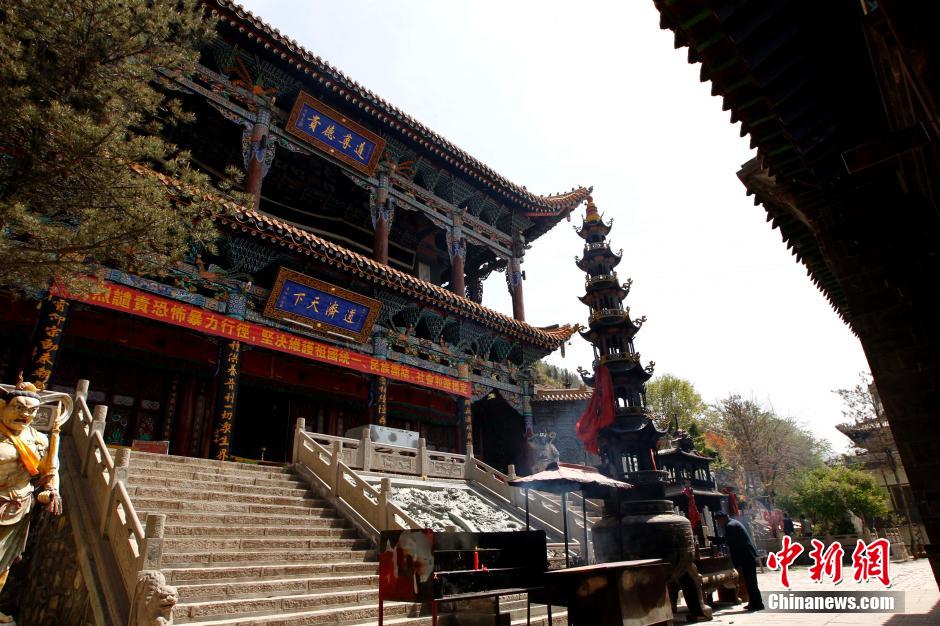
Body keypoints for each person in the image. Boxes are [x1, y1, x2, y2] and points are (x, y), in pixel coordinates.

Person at [0, 379, 62, 624]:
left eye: (32, 410)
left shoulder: (39, 440)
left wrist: (51, 490)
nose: (25, 414)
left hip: (18, 507)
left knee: (3, 561)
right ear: (3, 407)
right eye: (19, 407)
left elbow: (49, 471)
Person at [715, 510, 764, 611]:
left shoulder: (730, 526)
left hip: (746, 556)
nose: (719, 524)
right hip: (747, 556)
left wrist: (715, 540)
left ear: (723, 519)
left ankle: (758, 604)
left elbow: (728, 540)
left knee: (751, 581)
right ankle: (754, 602)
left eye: (719, 521)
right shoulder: (734, 523)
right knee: (750, 581)